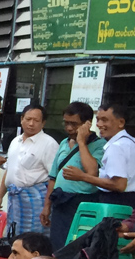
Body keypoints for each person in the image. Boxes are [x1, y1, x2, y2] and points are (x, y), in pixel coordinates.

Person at [42, 102, 106, 251]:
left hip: (82, 202)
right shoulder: (64, 143)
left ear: (87, 124)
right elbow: (53, 177)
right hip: (60, 201)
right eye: (66, 123)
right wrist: (47, 206)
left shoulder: (99, 145)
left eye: (74, 124)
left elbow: (92, 171)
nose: (69, 128)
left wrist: (81, 142)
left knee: (76, 246)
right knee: (58, 245)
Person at [0, 104, 57, 235]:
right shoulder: (15, 141)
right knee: (14, 237)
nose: (31, 124)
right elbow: (10, 170)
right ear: (22, 119)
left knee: (33, 239)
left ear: (43, 123)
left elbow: (54, 178)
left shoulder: (49, 144)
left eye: (36, 120)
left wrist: (47, 206)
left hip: (36, 202)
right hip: (15, 201)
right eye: (28, 119)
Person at [60, 102, 135, 208]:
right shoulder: (130, 142)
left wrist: (82, 176)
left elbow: (119, 185)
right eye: (98, 119)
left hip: (117, 202)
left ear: (121, 122)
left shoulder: (117, 146)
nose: (99, 124)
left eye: (104, 120)